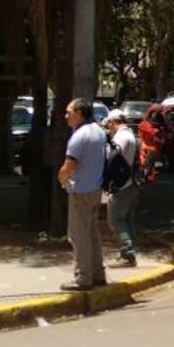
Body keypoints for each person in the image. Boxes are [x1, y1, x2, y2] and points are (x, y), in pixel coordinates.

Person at [57, 97, 107, 291]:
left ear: (79, 113)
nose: (66, 116)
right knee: (92, 233)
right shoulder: (98, 132)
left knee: (79, 236)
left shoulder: (79, 136)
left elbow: (68, 166)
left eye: (69, 112)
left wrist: (62, 180)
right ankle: (97, 273)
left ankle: (83, 277)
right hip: (95, 188)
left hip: (80, 191)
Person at [104, 109, 140, 268]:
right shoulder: (130, 135)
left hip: (122, 184)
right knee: (127, 219)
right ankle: (129, 252)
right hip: (131, 183)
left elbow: (113, 156)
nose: (107, 127)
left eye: (108, 124)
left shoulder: (122, 137)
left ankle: (127, 253)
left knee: (115, 219)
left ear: (113, 122)